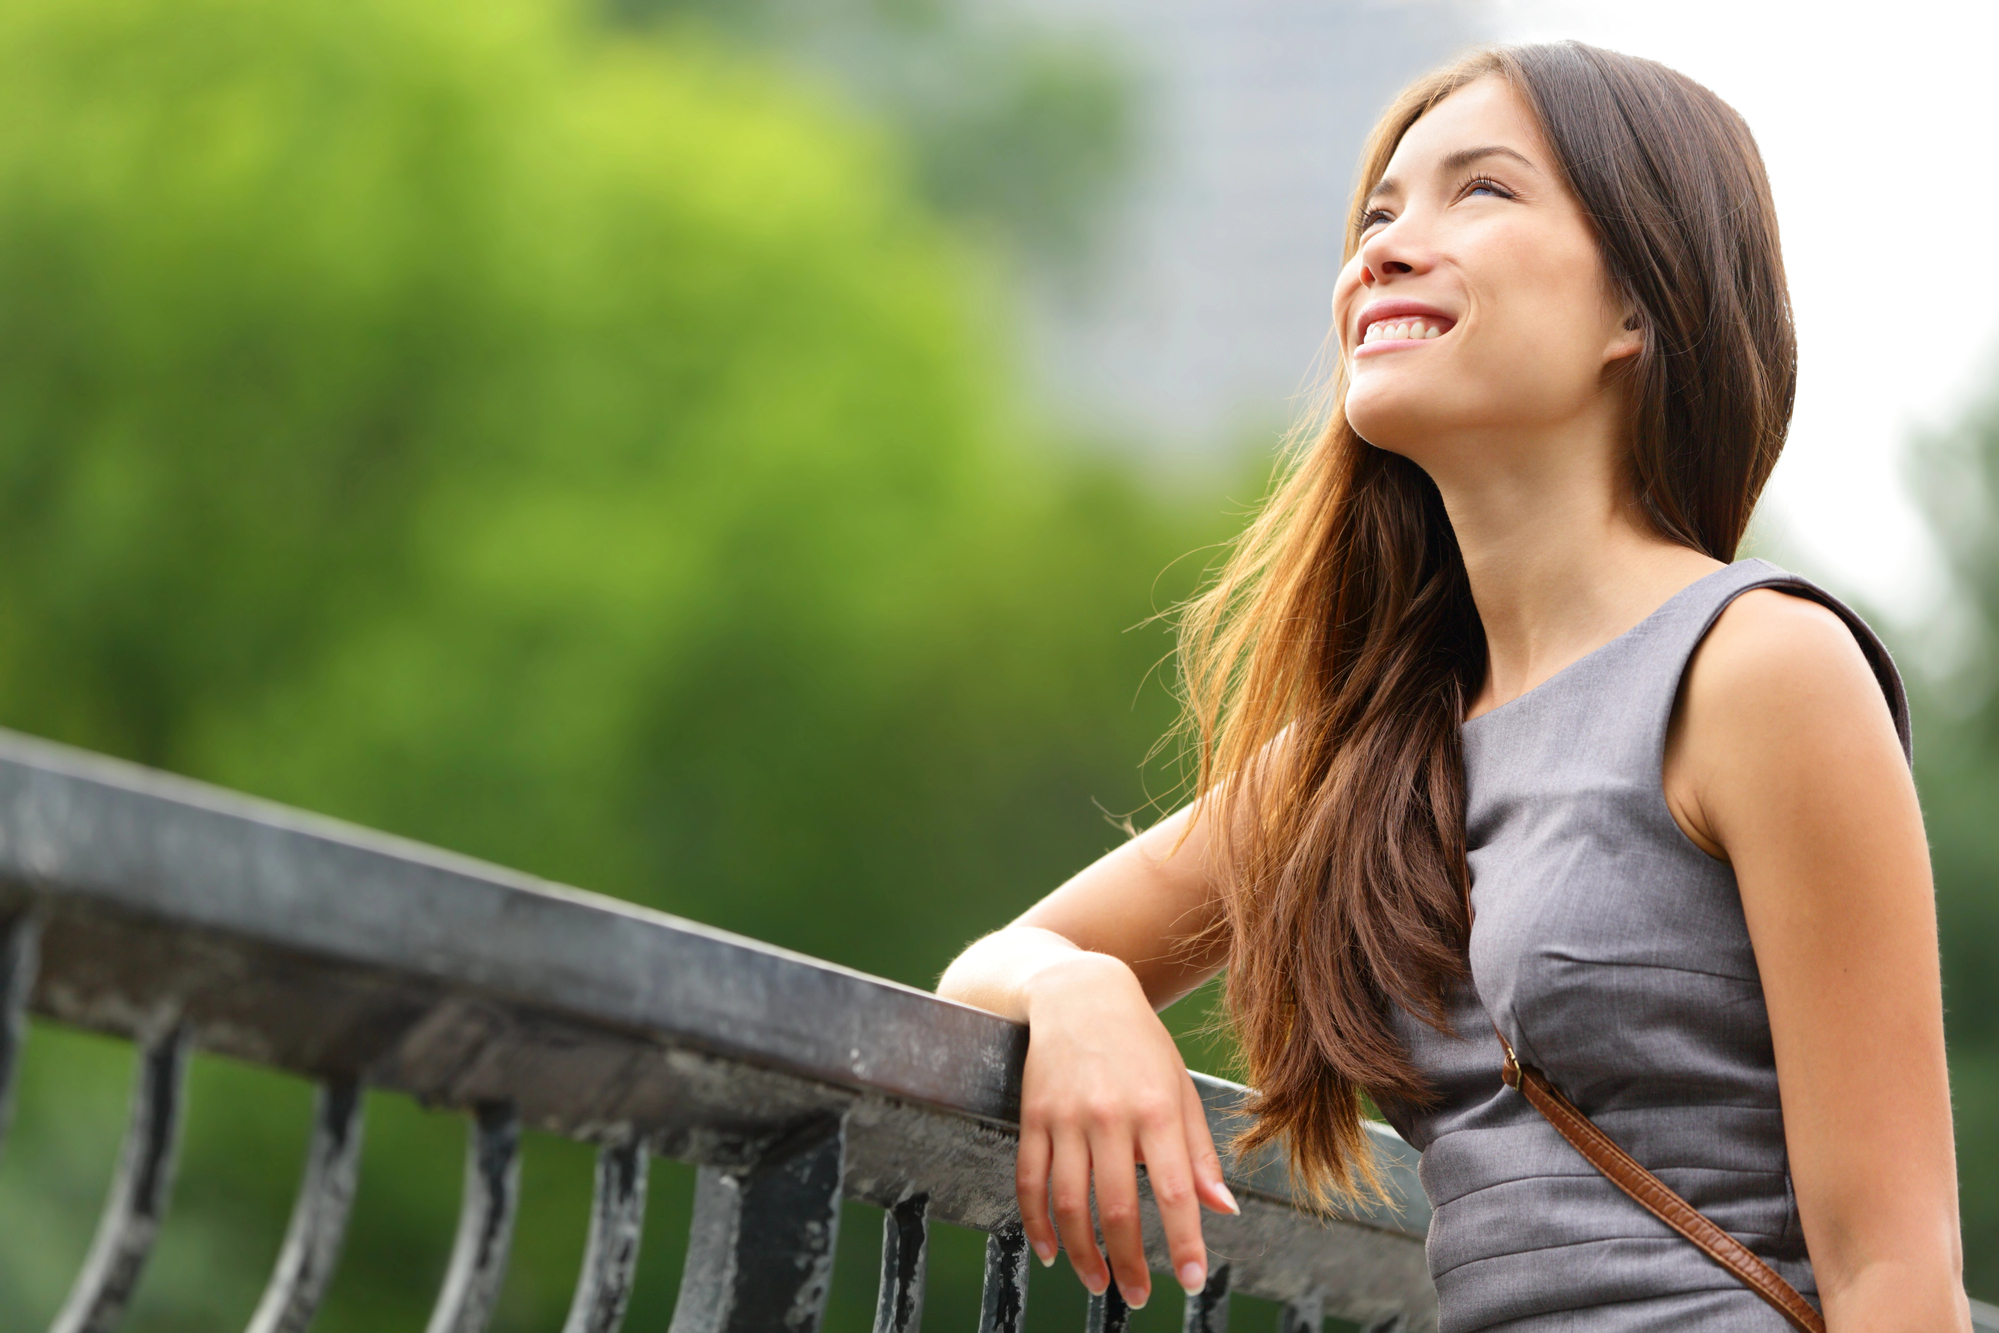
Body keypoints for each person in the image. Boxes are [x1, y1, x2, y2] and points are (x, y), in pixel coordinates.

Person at [936, 41, 1970, 1333]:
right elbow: (987, 968)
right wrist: (1078, 992)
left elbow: (1892, 1267)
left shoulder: (1758, 666)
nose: (1387, 246)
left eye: (1480, 192)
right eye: (1378, 212)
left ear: (1638, 309)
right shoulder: (1375, 752)